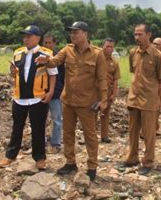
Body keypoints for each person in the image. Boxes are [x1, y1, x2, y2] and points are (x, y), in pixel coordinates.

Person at [35, 21, 107, 181]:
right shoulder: (67, 50)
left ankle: (92, 166)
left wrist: (104, 100)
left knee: (90, 135)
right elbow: (55, 61)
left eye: (76, 32)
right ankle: (70, 162)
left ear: (86, 34)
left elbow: (102, 79)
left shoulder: (97, 54)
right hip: (67, 101)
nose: (72, 35)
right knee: (68, 134)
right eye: (71, 32)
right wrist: (45, 60)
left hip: (87, 103)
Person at [0, 25, 57, 170]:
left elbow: (53, 74)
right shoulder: (17, 53)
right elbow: (14, 74)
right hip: (19, 97)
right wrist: (12, 72)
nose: (26, 39)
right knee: (16, 128)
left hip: (38, 98)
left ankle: (39, 158)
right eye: (24, 36)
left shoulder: (46, 54)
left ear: (37, 38)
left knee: (38, 129)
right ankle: (10, 156)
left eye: (29, 36)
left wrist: (50, 93)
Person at [122, 24, 161, 175]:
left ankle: (148, 161)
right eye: (135, 34)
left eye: (140, 34)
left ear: (149, 35)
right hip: (134, 98)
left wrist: (158, 100)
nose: (137, 38)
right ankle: (132, 157)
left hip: (149, 100)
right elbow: (134, 73)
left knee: (148, 133)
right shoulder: (133, 53)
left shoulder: (157, 56)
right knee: (133, 131)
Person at [43, 34, 65, 153]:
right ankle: (41, 142)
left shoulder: (59, 57)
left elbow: (62, 76)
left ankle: (55, 143)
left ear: (54, 43)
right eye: (45, 43)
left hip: (55, 93)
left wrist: (61, 90)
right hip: (41, 93)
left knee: (56, 119)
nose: (46, 45)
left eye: (49, 43)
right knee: (41, 119)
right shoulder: (39, 56)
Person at [97, 38, 121, 143]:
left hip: (108, 92)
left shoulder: (114, 63)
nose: (109, 48)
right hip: (95, 91)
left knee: (105, 115)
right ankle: (90, 136)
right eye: (107, 46)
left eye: (111, 47)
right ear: (103, 46)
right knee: (91, 115)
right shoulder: (96, 58)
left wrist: (114, 94)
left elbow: (116, 80)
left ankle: (104, 136)